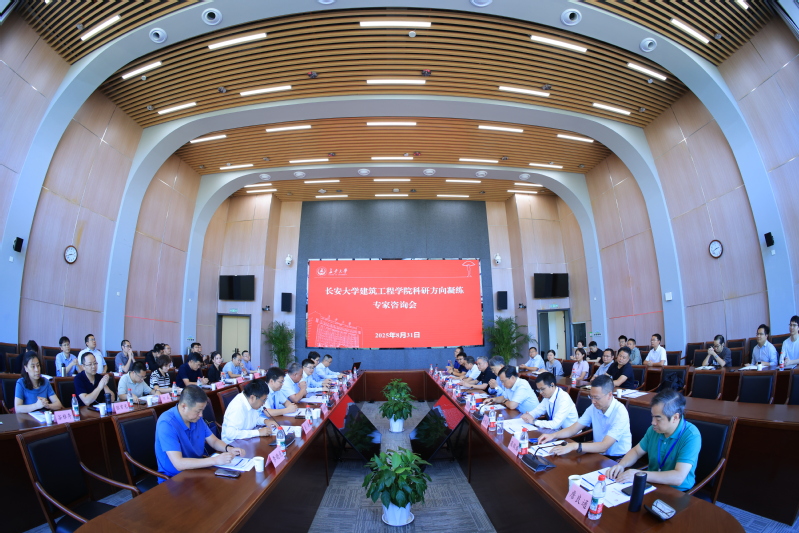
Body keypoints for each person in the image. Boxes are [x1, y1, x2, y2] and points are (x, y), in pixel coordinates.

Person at [606, 389, 701, 491]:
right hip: (652, 483)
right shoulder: (654, 429)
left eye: (658, 419)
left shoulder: (691, 436)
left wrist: (639, 474)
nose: (653, 422)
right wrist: (621, 465)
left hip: (677, 491)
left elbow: (678, 477)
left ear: (675, 417)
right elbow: (636, 451)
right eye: (652, 417)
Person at [155, 385, 244, 481]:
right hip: (174, 479)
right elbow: (179, 464)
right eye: (198, 411)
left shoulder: (196, 418)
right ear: (184, 406)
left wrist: (229, 448)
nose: (201, 415)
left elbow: (213, 441)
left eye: (202, 410)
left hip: (197, 470)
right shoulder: (167, 423)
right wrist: (215, 460)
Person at [540, 375, 632, 458]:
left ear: (609, 395)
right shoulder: (594, 407)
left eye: (596, 398)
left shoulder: (620, 412)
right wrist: (553, 435)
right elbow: (574, 429)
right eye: (591, 397)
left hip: (617, 458)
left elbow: (604, 446)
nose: (593, 401)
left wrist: (574, 446)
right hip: (597, 453)